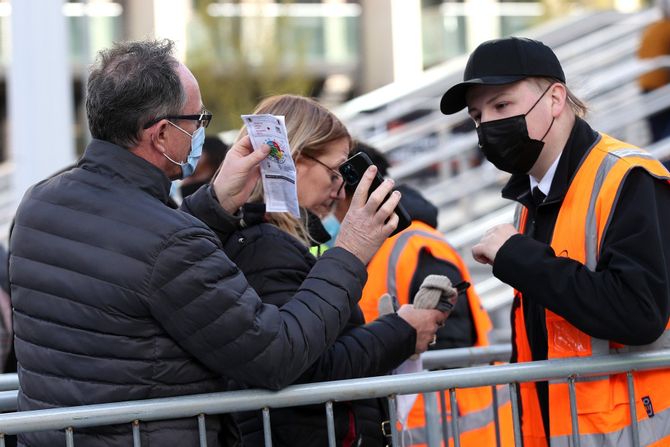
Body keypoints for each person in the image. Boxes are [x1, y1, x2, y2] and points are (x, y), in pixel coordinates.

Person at [8, 40, 404, 447]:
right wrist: (351, 250)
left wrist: (215, 203)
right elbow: (276, 354)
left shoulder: (39, 202)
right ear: (162, 134)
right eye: (197, 120)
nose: (201, 130)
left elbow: (134, 259)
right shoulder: (169, 239)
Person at [440, 36, 670, 446]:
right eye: (477, 115)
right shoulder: (530, 202)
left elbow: (639, 313)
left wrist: (518, 257)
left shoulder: (627, 178)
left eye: (502, 105)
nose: (487, 125)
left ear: (556, 98)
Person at [184, 94, 449, 447]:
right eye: (336, 171)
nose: (341, 189)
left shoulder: (264, 240)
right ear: (293, 160)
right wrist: (401, 332)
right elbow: (308, 366)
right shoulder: (265, 245)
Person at [333, 142, 513, 447]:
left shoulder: (416, 245)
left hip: (455, 433)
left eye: (335, 184)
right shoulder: (373, 248)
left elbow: (450, 351)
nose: (330, 199)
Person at [638, 0, 670, 144]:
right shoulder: (666, 29)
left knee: (657, 135)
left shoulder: (653, 27)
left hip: (646, 86)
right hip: (659, 87)